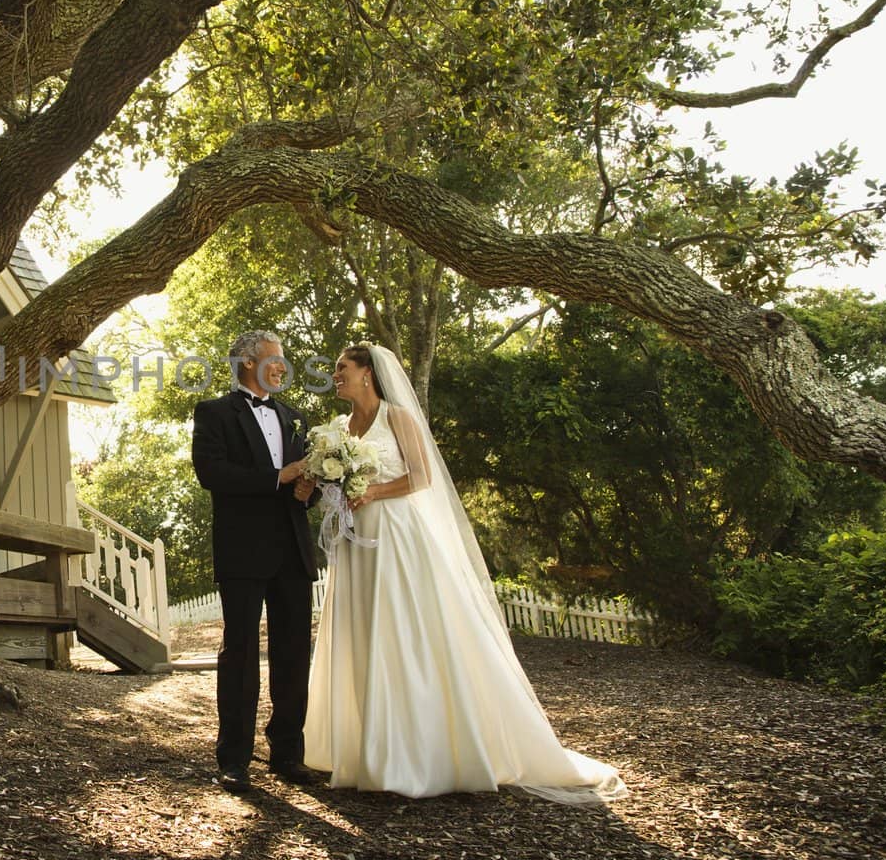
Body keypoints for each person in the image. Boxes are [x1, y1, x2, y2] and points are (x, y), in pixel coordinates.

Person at [304, 343, 628, 804]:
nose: (335, 374)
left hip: (397, 538)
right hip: (357, 546)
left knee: (406, 634)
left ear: (368, 374)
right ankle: (362, 750)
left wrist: (373, 491)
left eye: (342, 368)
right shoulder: (337, 428)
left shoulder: (398, 418)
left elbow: (420, 477)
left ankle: (419, 752)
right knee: (361, 634)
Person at [191, 330, 320, 793]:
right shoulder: (212, 413)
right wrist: (278, 477)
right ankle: (234, 760)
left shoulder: (294, 417)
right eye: (275, 360)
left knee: (292, 655)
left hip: (292, 549)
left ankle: (288, 753)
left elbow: (310, 482)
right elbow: (212, 473)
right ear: (248, 363)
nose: (283, 368)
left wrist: (308, 489)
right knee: (241, 654)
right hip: (243, 550)